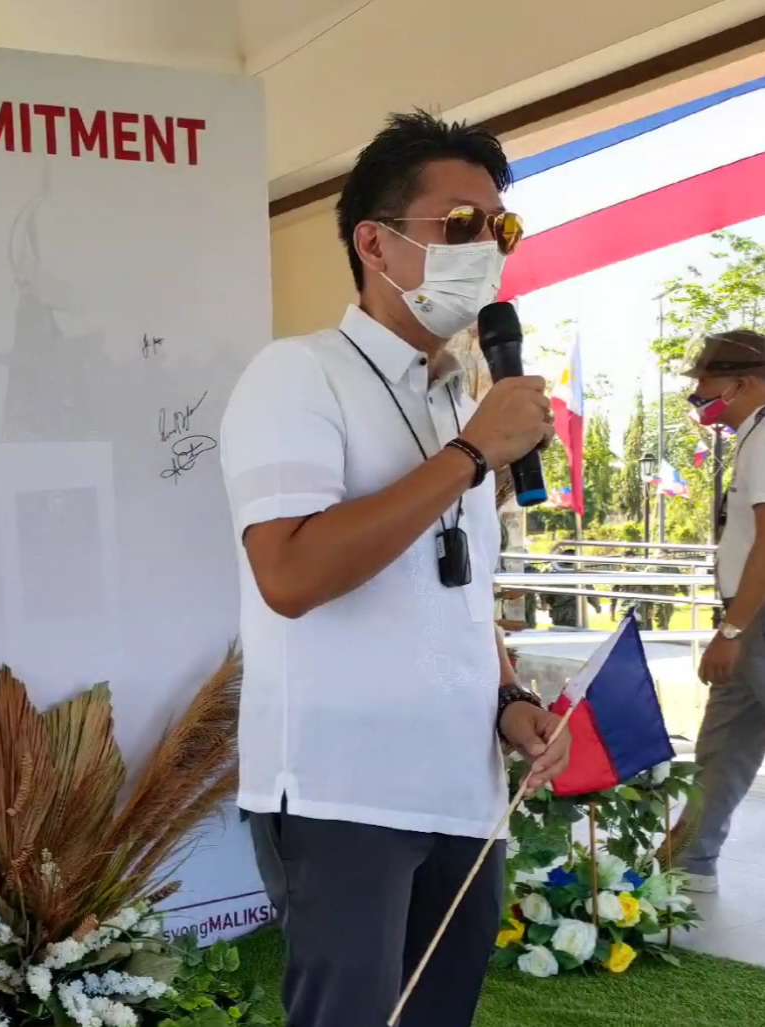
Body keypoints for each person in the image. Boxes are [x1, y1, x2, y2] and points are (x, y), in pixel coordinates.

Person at [219, 111, 570, 1027]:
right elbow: (289, 576)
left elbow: (458, 589)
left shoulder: (456, 397)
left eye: (500, 228)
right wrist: (469, 455)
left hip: (461, 785)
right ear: (373, 243)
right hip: (344, 791)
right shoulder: (296, 375)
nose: (487, 250)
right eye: (460, 225)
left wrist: (507, 697)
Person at [680, 330, 765, 893]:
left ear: (745, 383)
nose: (699, 400)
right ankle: (689, 861)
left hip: (755, 618)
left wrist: (733, 631)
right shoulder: (753, 435)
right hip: (748, 613)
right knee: (723, 745)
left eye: (705, 387)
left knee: (725, 741)